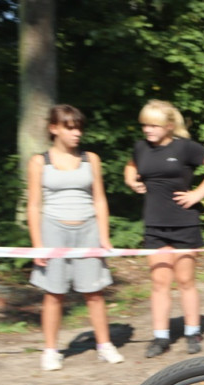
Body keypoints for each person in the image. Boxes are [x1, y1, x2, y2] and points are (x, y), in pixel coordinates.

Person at [124, 99, 204, 358]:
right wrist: (130, 180)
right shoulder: (141, 148)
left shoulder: (185, 148)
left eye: (154, 125)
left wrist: (198, 193)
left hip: (184, 223)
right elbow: (130, 166)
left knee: (185, 281)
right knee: (160, 283)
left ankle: (193, 331)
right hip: (154, 225)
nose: (148, 130)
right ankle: (160, 337)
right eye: (145, 125)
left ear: (169, 126)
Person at [27, 104, 124, 371]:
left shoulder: (91, 159)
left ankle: (104, 345)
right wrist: (38, 246)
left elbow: (100, 199)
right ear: (54, 129)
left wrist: (104, 236)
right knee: (54, 294)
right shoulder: (39, 162)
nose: (76, 133)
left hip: (88, 230)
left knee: (94, 292)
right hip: (53, 231)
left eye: (79, 128)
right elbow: (34, 205)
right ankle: (50, 350)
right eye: (70, 128)